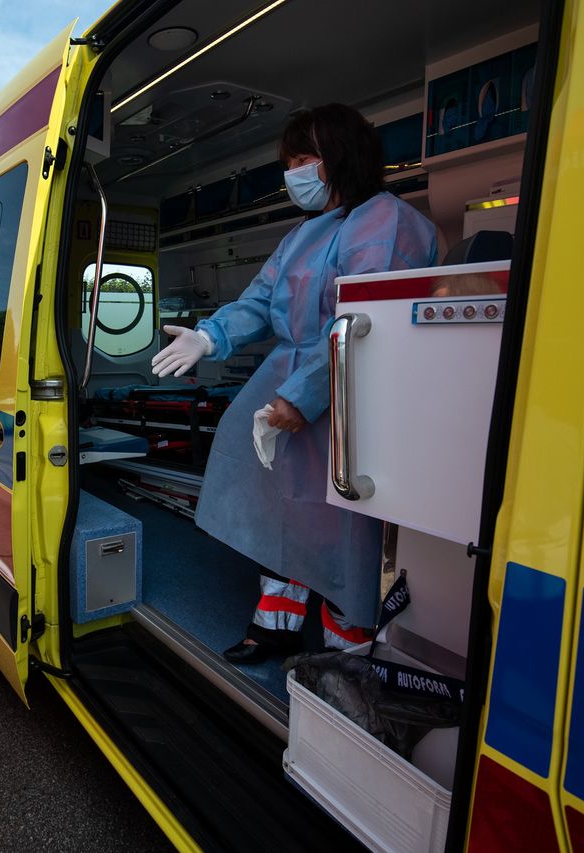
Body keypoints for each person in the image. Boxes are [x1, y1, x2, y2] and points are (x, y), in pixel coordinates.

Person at [151, 104, 437, 663]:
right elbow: (260, 300)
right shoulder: (303, 234)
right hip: (292, 384)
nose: (294, 172)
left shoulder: (386, 222)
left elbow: (361, 324)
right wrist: (209, 339)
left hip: (354, 398)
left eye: (305, 158)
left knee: (346, 530)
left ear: (340, 157)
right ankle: (277, 624)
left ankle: (346, 656)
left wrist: (304, 395)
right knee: (285, 508)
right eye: (290, 161)